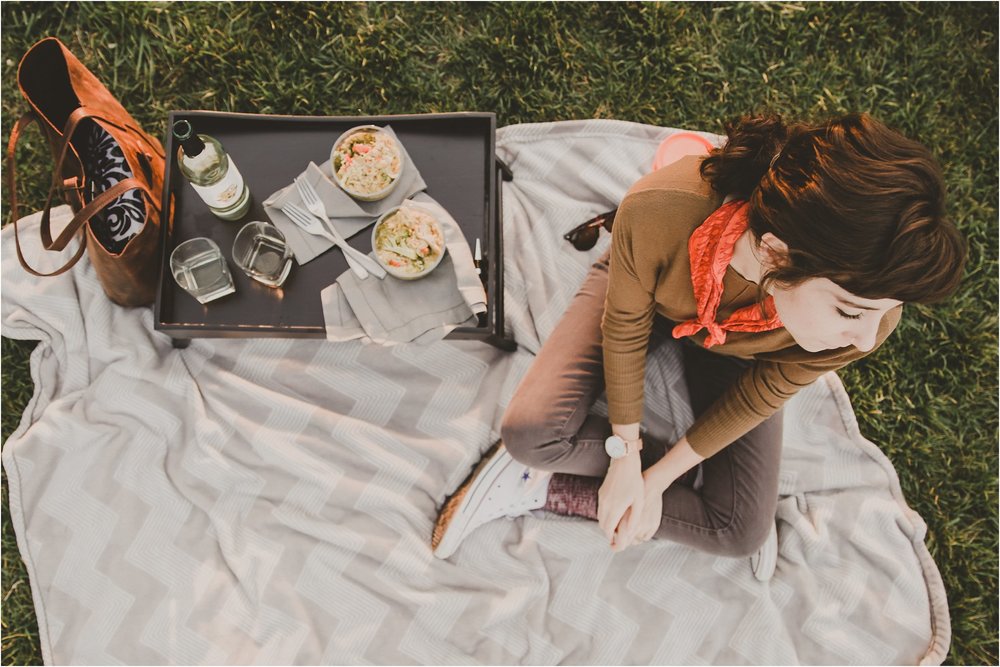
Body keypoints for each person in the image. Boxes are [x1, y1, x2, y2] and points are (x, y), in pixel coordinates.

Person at [430, 113, 966, 579]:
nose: (866, 339)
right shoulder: (663, 208)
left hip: (740, 350)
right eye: (850, 311)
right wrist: (622, 452)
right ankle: (536, 467)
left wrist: (656, 478)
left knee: (740, 531)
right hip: (645, 299)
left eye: (879, 314)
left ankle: (543, 491)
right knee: (531, 434)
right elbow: (624, 326)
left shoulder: (870, 314)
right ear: (776, 254)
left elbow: (760, 396)